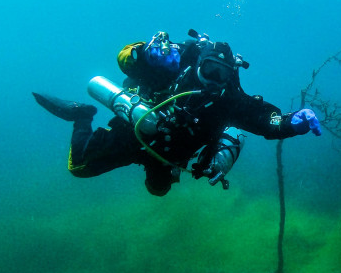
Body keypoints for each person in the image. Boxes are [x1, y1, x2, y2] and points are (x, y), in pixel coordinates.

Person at [33, 30, 321, 196]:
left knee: (158, 190)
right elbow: (126, 61)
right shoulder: (173, 67)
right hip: (135, 130)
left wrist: (291, 123)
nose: (212, 80)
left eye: (220, 75)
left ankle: (155, 169)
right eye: (209, 70)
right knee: (78, 167)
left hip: (171, 153)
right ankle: (82, 114)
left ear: (230, 76)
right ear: (199, 64)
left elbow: (263, 120)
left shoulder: (230, 99)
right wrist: (144, 53)